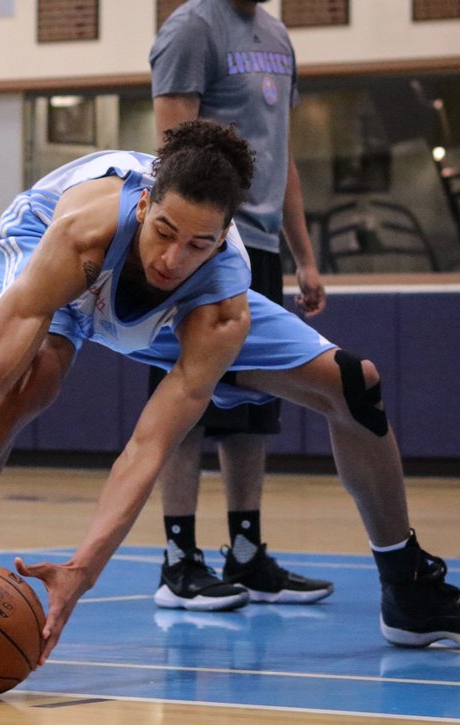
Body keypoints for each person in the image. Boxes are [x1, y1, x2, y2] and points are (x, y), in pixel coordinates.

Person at [0, 120, 460, 663]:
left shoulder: (220, 299)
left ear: (222, 238)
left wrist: (84, 567)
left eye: (198, 242)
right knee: (32, 379)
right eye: (164, 231)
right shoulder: (78, 234)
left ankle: (409, 591)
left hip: (175, 316)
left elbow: (149, 444)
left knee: (356, 387)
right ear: (144, 206)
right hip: (56, 250)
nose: (172, 256)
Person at [146, 0, 330, 612]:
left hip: (263, 246)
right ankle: (178, 561)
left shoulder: (278, 34)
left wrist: (302, 254)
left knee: (255, 404)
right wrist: (191, 248)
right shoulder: (192, 28)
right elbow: (173, 153)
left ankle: (246, 554)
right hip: (206, 248)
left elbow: (281, 157)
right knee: (186, 404)